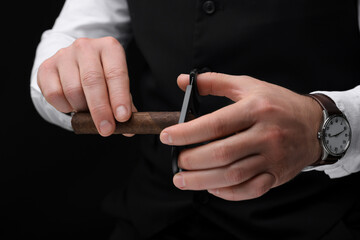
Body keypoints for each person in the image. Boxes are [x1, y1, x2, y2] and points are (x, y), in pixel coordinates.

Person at [30, 0, 360, 239]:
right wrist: (63, 73)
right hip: (152, 216)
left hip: (323, 218)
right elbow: (61, 45)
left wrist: (325, 121)